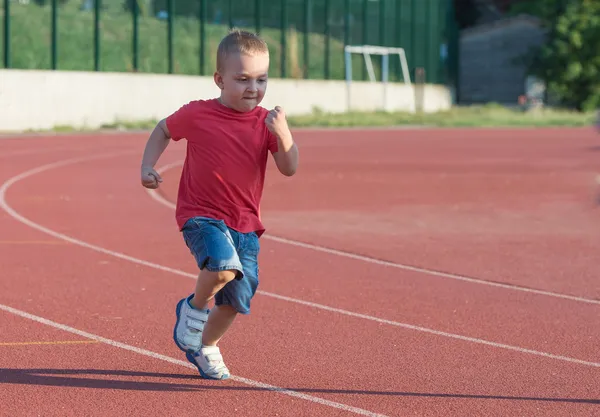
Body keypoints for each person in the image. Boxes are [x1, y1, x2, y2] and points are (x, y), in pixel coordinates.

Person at [139, 29, 299, 380]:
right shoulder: (198, 114)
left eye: (261, 79)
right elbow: (164, 129)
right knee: (224, 268)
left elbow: (289, 168)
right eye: (242, 79)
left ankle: (205, 346)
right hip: (201, 216)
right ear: (219, 79)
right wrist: (147, 165)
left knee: (235, 300)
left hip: (246, 225)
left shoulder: (266, 123)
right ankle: (192, 310)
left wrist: (285, 134)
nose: (253, 88)